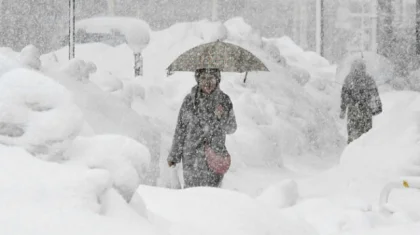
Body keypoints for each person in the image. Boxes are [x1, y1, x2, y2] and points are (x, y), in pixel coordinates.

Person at [167, 68, 237, 188]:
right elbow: (180, 129)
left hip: (215, 156)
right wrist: (174, 155)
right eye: (203, 78)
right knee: (192, 195)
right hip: (191, 157)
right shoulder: (189, 101)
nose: (207, 82)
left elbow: (232, 128)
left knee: (213, 196)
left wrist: (222, 117)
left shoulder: (224, 101)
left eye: (211, 78)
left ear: (217, 79)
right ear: (198, 80)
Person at [340, 59, 382, 144]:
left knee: (353, 134)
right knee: (366, 134)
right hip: (365, 111)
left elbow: (344, 96)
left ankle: (352, 150)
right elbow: (374, 96)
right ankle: (364, 150)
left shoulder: (349, 79)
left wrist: (343, 110)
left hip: (353, 111)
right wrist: (377, 108)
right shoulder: (369, 79)